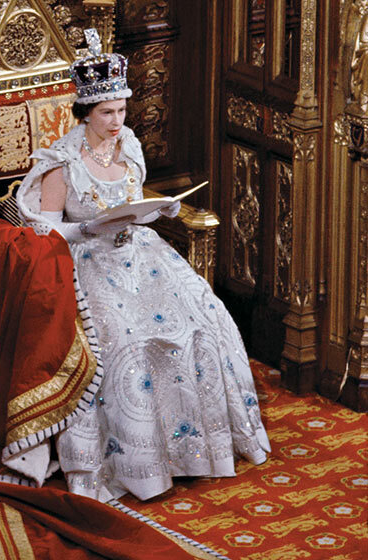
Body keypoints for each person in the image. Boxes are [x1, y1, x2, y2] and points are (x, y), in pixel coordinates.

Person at [15, 28, 270, 503]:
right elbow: (44, 233)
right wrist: (88, 230)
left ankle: (196, 449)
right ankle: (136, 465)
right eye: (107, 113)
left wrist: (161, 209)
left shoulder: (129, 147)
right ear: (85, 112)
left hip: (141, 253)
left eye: (122, 111)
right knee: (126, 339)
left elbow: (134, 202)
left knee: (202, 320)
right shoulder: (61, 163)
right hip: (87, 261)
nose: (117, 121)